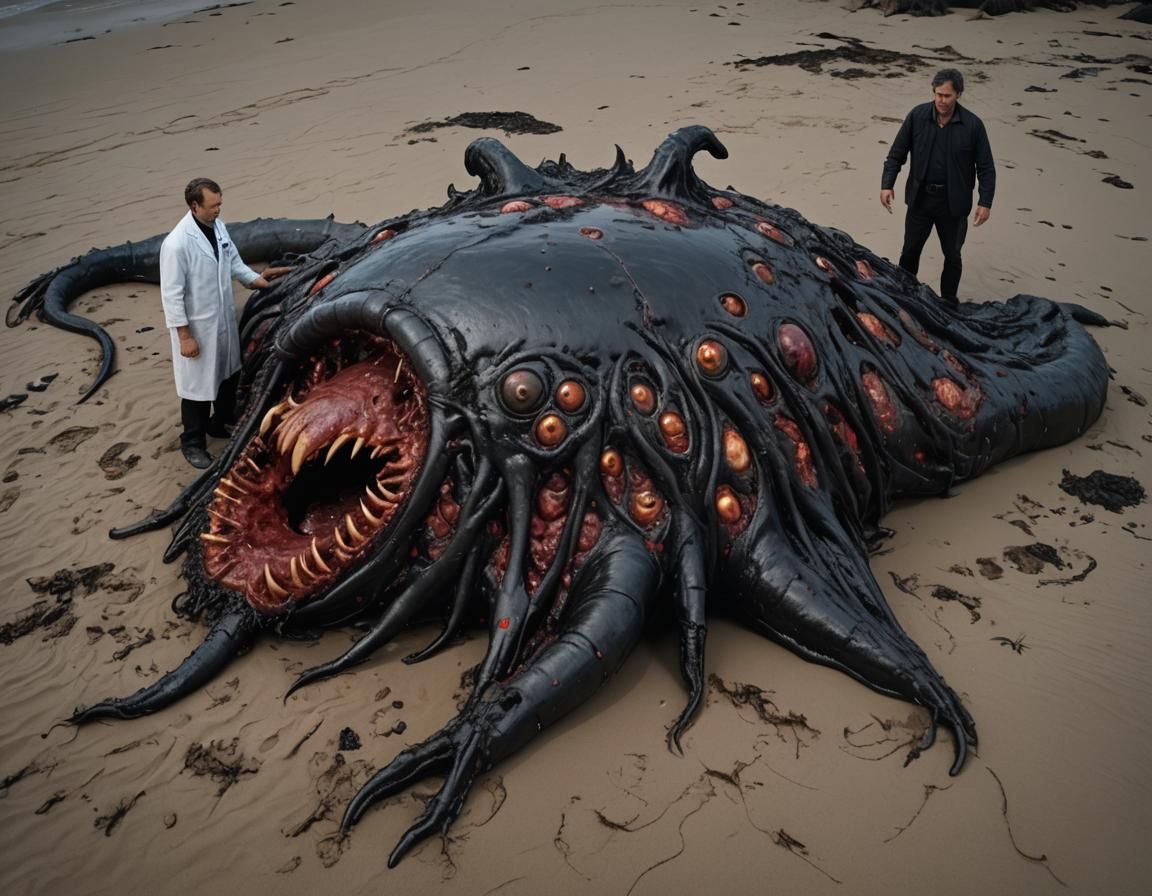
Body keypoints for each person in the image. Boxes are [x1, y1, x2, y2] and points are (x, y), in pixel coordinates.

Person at [160, 178, 292, 469]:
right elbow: (171, 296)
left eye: (220, 204)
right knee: (196, 390)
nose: (218, 210)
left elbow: (233, 261)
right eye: (212, 206)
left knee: (227, 376)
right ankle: (192, 442)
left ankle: (219, 424)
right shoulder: (176, 245)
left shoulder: (217, 227)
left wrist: (257, 281)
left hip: (221, 321)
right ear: (195, 206)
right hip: (197, 327)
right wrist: (185, 337)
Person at [880, 68, 995, 306]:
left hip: (953, 204)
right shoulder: (917, 116)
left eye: (947, 96)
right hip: (921, 199)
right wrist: (887, 184)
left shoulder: (973, 126)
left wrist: (985, 202)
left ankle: (949, 302)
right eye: (938, 94)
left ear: (959, 95)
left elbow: (986, 168)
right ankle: (905, 296)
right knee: (910, 250)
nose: (942, 101)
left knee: (952, 256)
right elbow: (896, 154)